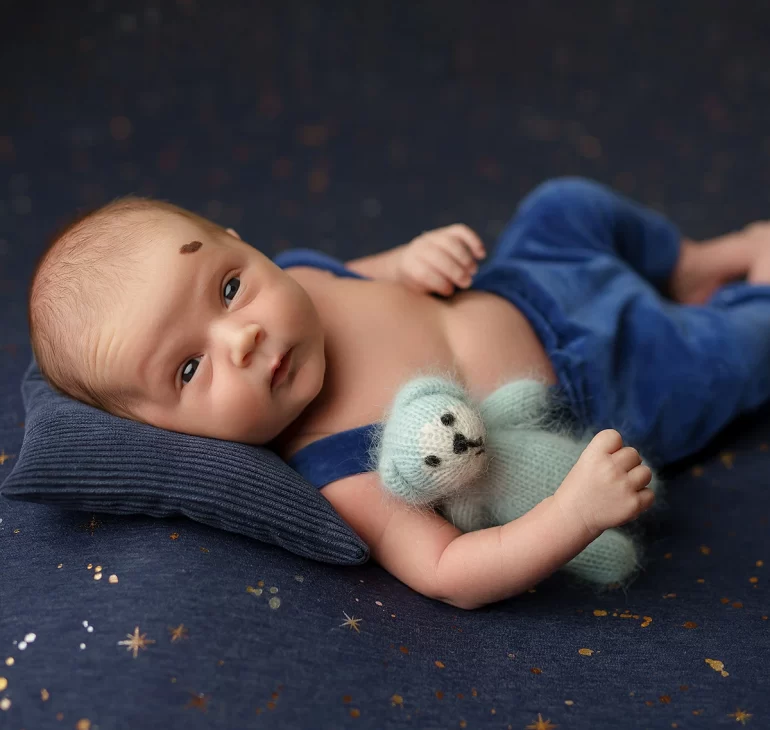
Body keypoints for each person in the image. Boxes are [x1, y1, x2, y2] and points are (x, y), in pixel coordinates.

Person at [27, 177, 770, 610]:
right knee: (720, 360)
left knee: (565, 200)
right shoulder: (342, 465)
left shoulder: (299, 277)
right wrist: (571, 514)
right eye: (188, 370)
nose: (242, 337)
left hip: (524, 276)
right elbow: (452, 575)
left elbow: (369, 272)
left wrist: (409, 260)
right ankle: (753, 300)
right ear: (165, 433)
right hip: (604, 380)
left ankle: (701, 261)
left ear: (239, 242)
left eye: (227, 286)